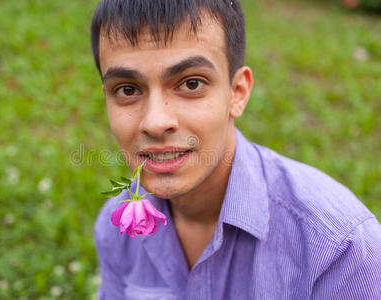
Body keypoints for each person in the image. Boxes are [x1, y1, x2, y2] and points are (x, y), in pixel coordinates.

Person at [90, 0, 381, 299]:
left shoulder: (338, 248)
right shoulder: (119, 225)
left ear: (237, 93)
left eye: (191, 84)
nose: (155, 122)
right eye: (127, 90)